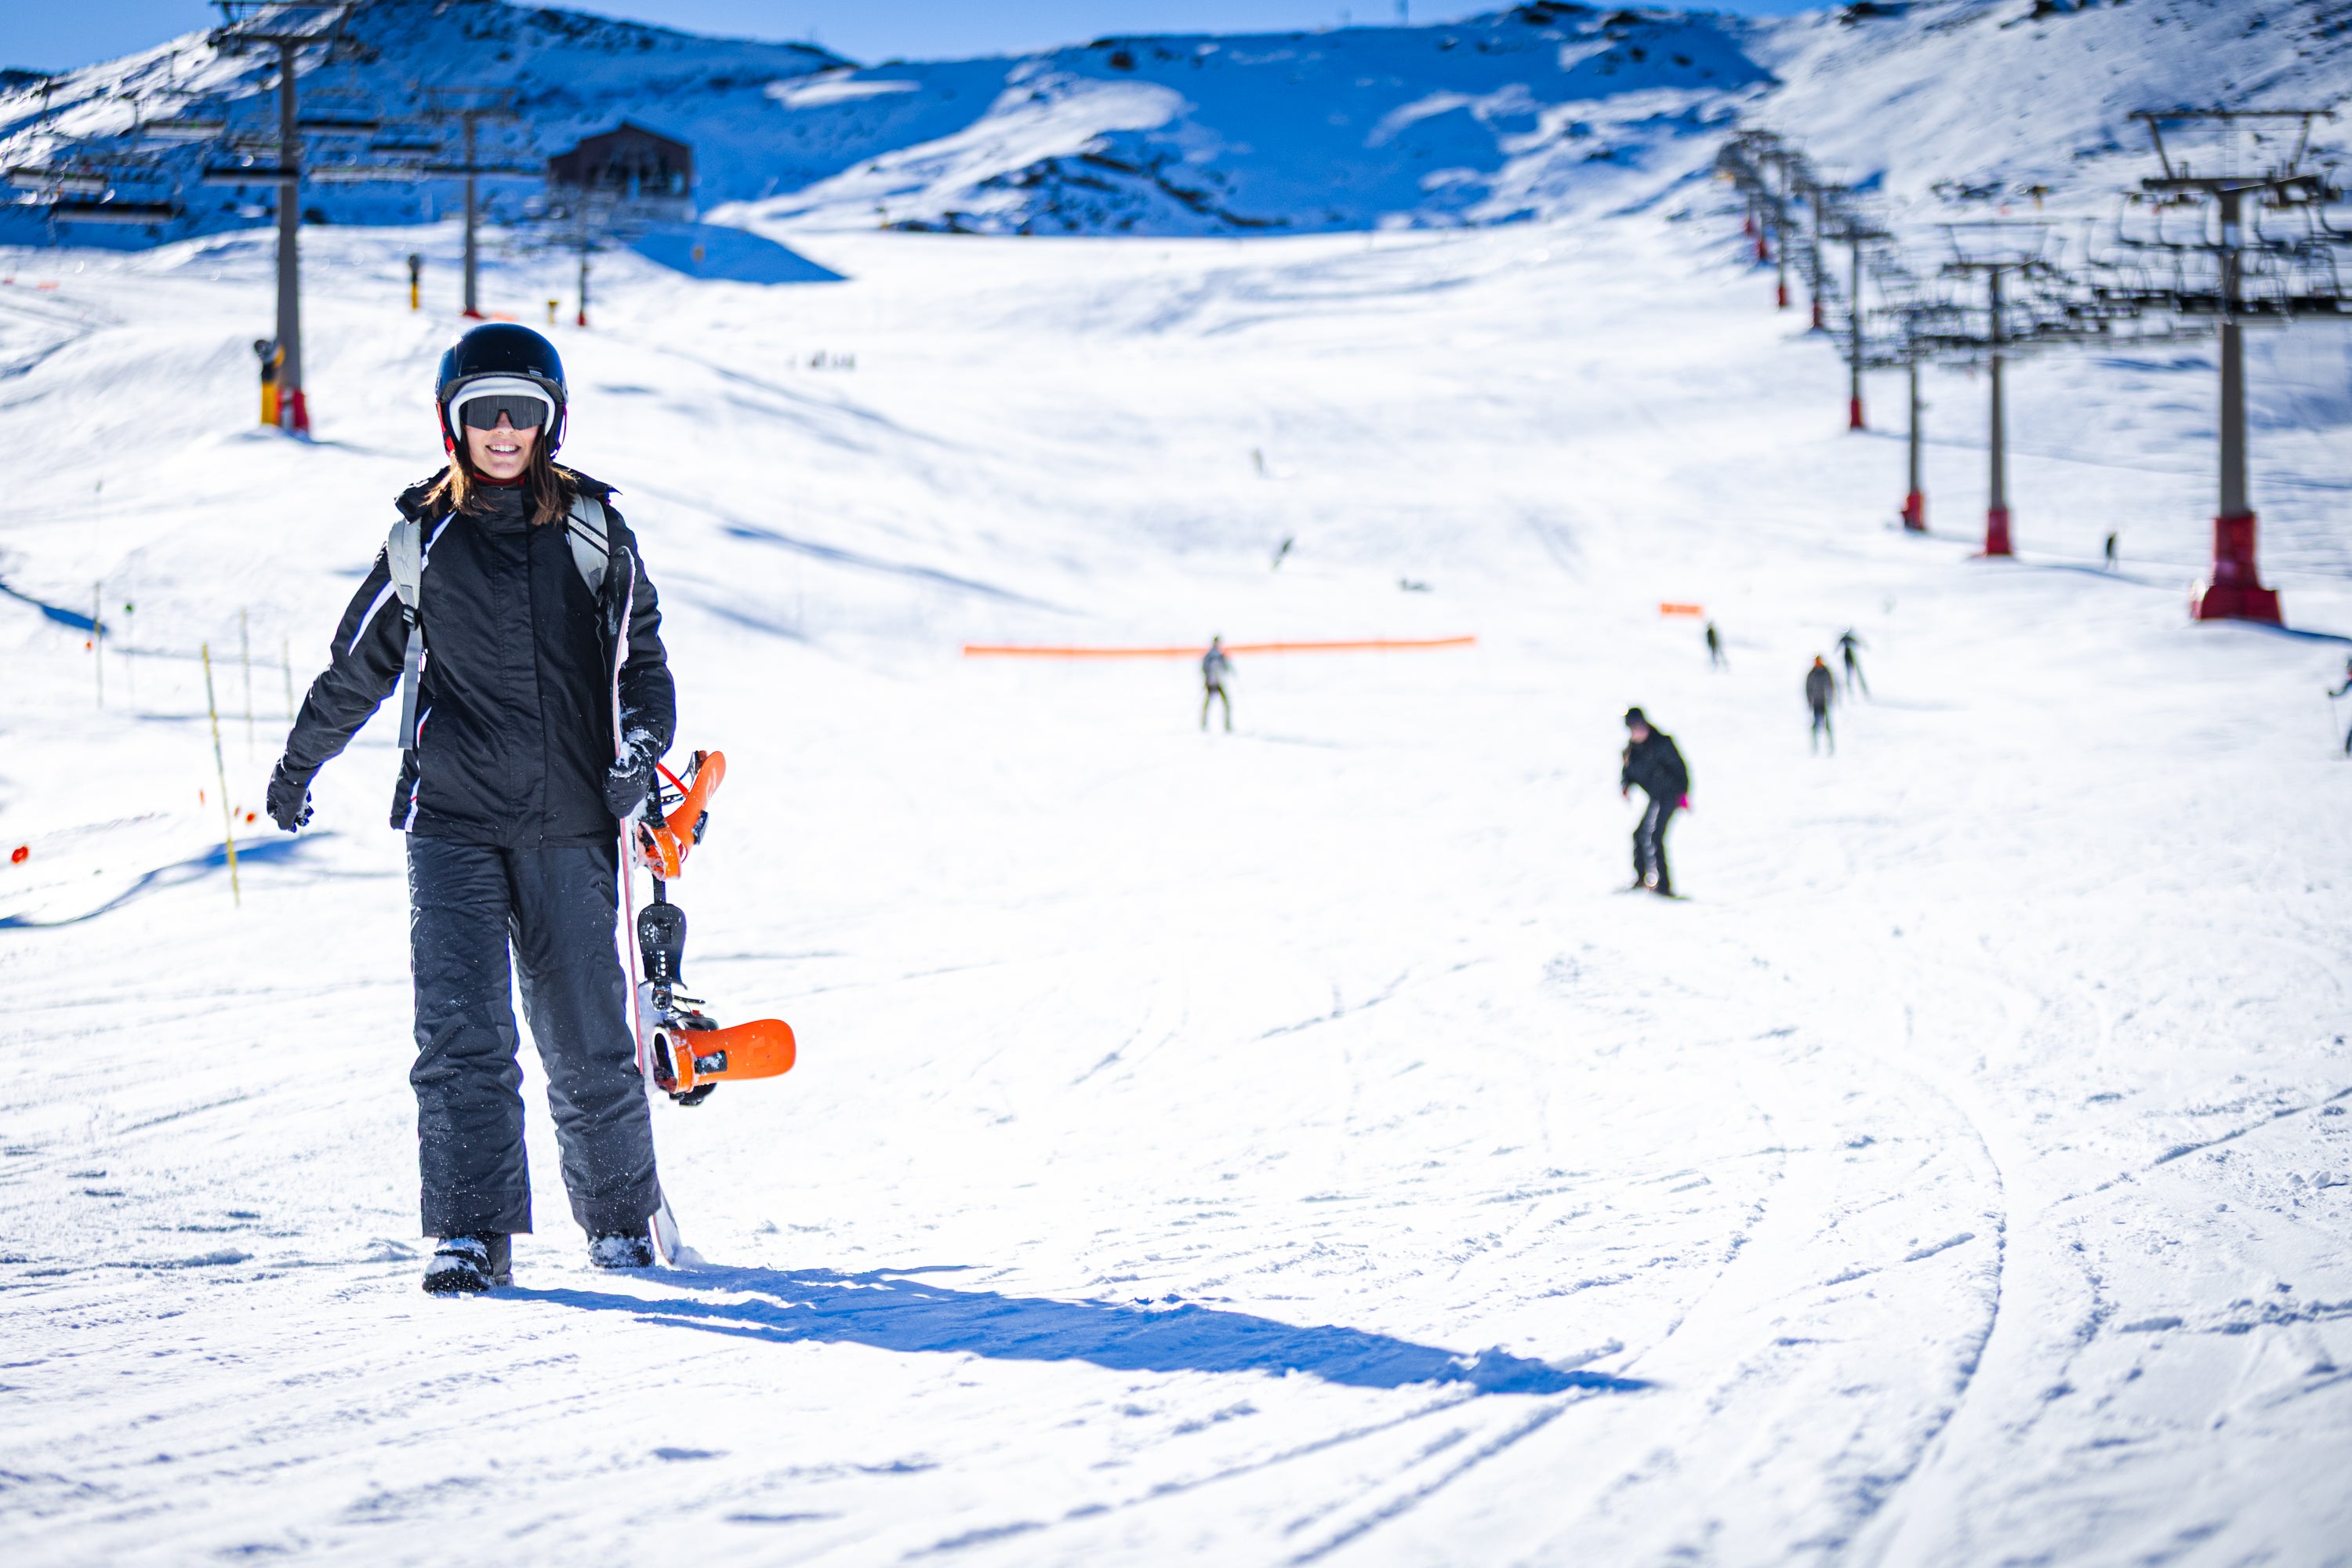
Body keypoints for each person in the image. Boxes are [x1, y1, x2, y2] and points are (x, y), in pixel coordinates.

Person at [264, 324, 676, 1296]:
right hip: (451, 821)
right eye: (482, 412)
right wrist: (297, 762)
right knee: (461, 1032)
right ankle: (467, 1233)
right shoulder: (422, 538)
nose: (503, 429)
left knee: (586, 1032)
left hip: (574, 818)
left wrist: (641, 751)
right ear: (453, 425)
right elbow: (358, 665)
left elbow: (642, 663)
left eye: (521, 411)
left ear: (550, 422)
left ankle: (620, 1223)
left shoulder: (592, 531)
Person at [1620, 707, 1689, 897]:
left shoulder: (1661, 743)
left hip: (1671, 795)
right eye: (1633, 728)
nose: (1638, 731)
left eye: (1640, 726)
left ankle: (1665, 886)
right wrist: (1626, 785)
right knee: (1639, 834)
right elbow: (1628, 772)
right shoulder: (1631, 751)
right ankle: (1642, 878)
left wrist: (1684, 793)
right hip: (1656, 796)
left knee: (1656, 836)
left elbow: (1681, 768)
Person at [1201, 636, 1232, 731]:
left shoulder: (1217, 655)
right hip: (1214, 682)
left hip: (1215, 682)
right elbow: (1227, 667)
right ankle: (1206, 723)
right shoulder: (1215, 655)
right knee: (1223, 704)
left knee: (1211, 703)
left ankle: (1205, 723)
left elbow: (1226, 667)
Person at [1806, 655, 1836, 754]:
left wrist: (1831, 697)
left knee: (1827, 725)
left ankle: (1831, 746)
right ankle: (1815, 747)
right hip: (1816, 702)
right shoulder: (1812, 673)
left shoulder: (1826, 672)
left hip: (1824, 701)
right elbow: (1808, 688)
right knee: (1815, 725)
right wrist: (1809, 700)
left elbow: (1831, 685)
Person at [1836, 628, 1869, 698]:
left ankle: (1860, 690)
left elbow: (1858, 643)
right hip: (1848, 656)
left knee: (1855, 673)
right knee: (1850, 674)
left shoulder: (1847, 638)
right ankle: (1850, 691)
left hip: (1851, 656)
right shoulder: (1846, 639)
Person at [2332, 658, 2352, 754]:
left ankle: (2347, 751)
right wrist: (2333, 694)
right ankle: (2347, 751)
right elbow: (2342, 691)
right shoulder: (2350, 680)